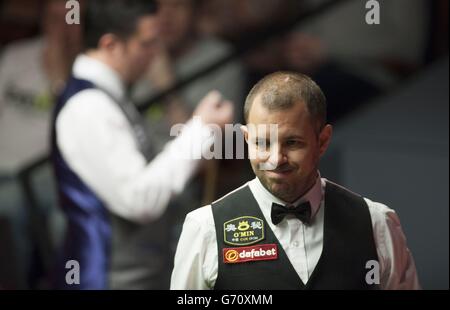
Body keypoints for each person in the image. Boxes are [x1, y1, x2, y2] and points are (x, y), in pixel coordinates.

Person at [170, 71, 420, 290]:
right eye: (262, 142)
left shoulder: (376, 223)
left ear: (322, 141)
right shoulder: (205, 228)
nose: (276, 159)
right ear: (246, 139)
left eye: (292, 143)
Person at [51, 0, 233, 289]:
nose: (155, 55)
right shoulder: (88, 106)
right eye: (147, 44)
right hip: (106, 279)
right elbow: (140, 199)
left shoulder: (107, 96)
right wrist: (200, 129)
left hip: (133, 273)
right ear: (111, 45)